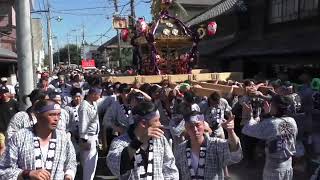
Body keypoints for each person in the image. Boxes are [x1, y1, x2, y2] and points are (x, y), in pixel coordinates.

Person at [0, 99, 77, 179]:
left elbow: (71, 162)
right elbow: (4, 169)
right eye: (51, 115)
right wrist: (27, 174)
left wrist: (68, 175)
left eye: (58, 115)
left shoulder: (63, 138)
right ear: (38, 115)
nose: (56, 119)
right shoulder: (20, 137)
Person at [107, 101, 179, 179]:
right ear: (143, 123)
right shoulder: (120, 142)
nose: (160, 124)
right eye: (156, 120)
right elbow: (115, 166)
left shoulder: (160, 139)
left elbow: (170, 167)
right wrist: (138, 142)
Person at [242, 95, 298, 180]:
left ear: (276, 107)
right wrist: (269, 114)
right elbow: (277, 128)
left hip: (274, 169)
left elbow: (247, 129)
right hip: (288, 165)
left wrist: (248, 115)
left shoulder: (272, 124)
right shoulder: (292, 121)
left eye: (272, 105)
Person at [175, 111, 242, 180]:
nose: (195, 129)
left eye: (198, 125)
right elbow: (177, 172)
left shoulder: (216, 144)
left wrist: (231, 131)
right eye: (191, 126)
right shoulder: (180, 149)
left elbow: (234, 150)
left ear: (204, 125)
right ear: (186, 127)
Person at [78, 87, 101, 180]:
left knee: (91, 165)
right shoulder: (84, 106)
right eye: (98, 95)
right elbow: (83, 123)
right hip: (88, 138)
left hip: (94, 136)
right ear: (92, 95)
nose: (99, 97)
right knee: (88, 166)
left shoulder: (93, 103)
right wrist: (84, 140)